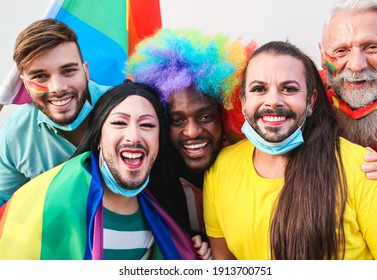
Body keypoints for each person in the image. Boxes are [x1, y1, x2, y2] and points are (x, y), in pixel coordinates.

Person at [204, 41, 377, 259]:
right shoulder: (220, 169)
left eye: (289, 89)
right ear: (244, 101)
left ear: (310, 100)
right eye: (258, 89)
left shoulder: (365, 168)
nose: (272, 101)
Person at [0, 81, 208, 260]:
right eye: (119, 123)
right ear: (99, 138)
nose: (134, 136)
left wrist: (193, 254)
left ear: (159, 142)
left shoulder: (165, 211)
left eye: (147, 125)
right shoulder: (48, 201)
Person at [127, 28, 251, 233]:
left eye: (205, 117)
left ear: (225, 114)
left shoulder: (248, 164)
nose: (192, 132)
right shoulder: (149, 181)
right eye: (177, 120)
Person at [0, 19, 111, 205]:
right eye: (40, 76)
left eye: (68, 71)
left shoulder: (125, 107)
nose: (57, 88)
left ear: (85, 70)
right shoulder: (14, 134)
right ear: (25, 84)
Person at [319, 0, 377, 188]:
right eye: (341, 51)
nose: (356, 65)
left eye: (372, 47)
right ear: (322, 55)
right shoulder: (300, 92)